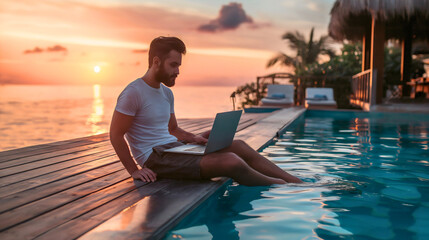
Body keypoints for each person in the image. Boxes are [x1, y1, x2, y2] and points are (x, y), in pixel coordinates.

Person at [109, 36, 302, 186]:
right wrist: (133, 170)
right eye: (173, 65)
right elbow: (116, 135)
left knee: (239, 145)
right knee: (231, 162)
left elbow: (173, 129)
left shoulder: (166, 93)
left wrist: (194, 139)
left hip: (173, 148)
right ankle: (282, 186)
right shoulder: (133, 92)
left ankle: (294, 180)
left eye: (179, 65)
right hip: (154, 158)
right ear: (156, 62)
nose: (178, 71)